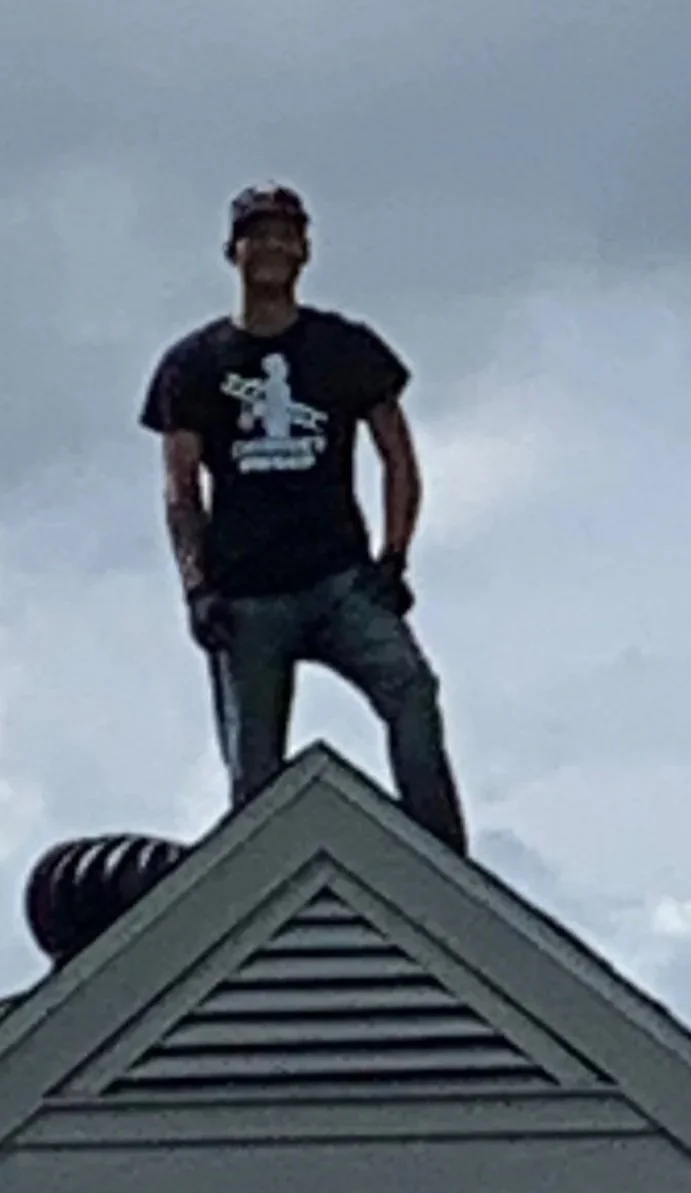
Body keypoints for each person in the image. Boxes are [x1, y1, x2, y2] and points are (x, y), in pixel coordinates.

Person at [140, 182, 468, 856]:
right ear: (234, 251)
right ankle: (260, 893)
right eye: (257, 234)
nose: (271, 246)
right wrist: (198, 589)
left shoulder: (345, 349)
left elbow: (398, 457)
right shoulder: (193, 366)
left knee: (411, 689)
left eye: (284, 234)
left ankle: (440, 861)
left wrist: (395, 558)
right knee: (254, 773)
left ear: (304, 249)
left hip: (339, 581)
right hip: (248, 594)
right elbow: (180, 488)